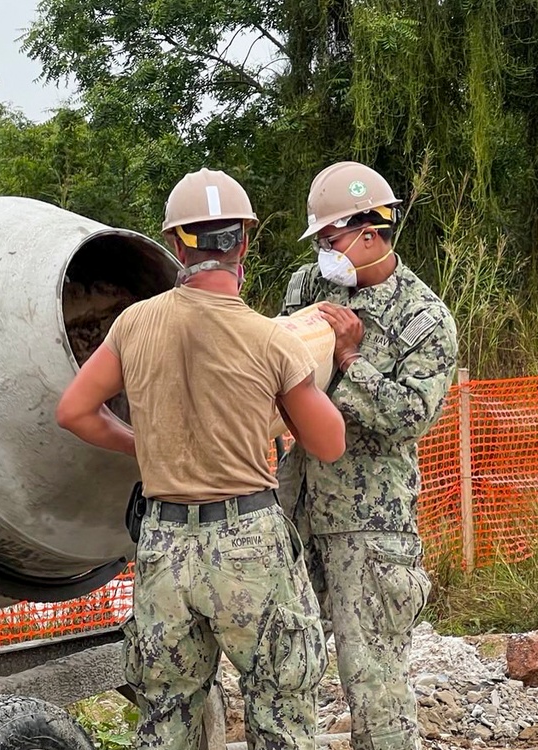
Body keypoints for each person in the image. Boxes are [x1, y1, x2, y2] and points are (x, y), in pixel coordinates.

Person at [56, 167, 347, 750]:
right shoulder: (270, 340)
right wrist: (338, 358)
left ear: (175, 242)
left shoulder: (134, 325)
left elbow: (75, 411)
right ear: (244, 240)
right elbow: (330, 443)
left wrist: (145, 444)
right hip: (249, 543)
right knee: (281, 712)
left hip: (163, 544)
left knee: (165, 718)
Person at [279, 161, 458, 750]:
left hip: (369, 525)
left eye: (331, 240)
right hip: (293, 504)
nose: (325, 252)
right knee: (285, 665)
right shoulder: (309, 288)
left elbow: (410, 419)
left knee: (372, 679)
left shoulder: (425, 318)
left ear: (369, 231)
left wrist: (354, 361)